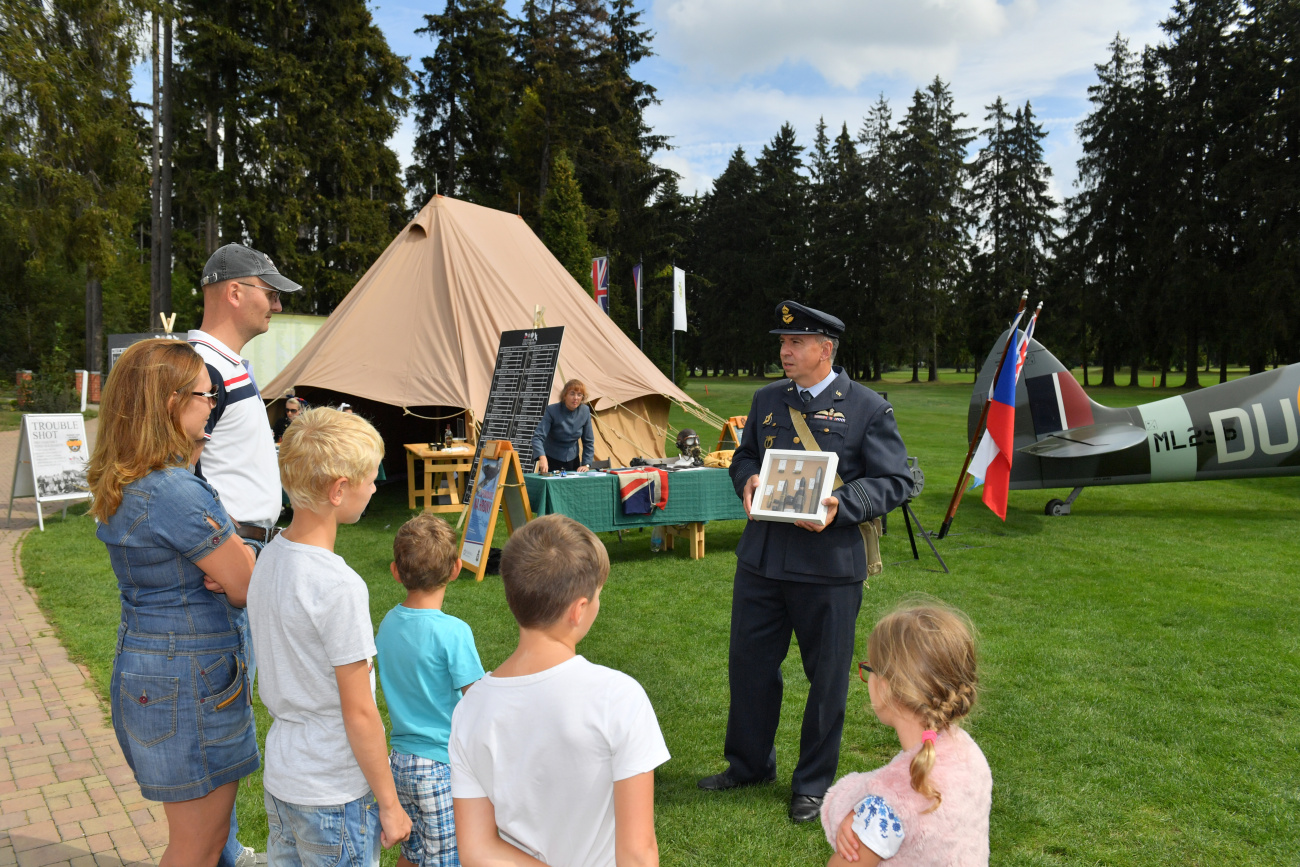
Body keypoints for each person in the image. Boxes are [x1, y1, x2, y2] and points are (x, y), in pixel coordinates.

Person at [698, 301, 914, 824]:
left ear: (826, 349)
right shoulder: (768, 399)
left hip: (829, 568)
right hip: (763, 562)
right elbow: (747, 455)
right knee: (749, 668)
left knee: (827, 681)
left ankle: (813, 784)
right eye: (782, 342)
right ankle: (748, 764)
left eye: (795, 343)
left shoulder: (866, 408)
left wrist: (844, 506)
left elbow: (897, 480)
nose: (784, 351)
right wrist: (746, 479)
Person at [87, 338, 260, 866]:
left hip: (148, 667)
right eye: (207, 395)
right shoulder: (175, 492)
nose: (213, 404)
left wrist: (232, 558)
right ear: (170, 403)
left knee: (196, 843)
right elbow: (245, 582)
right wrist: (243, 553)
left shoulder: (128, 481)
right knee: (198, 847)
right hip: (192, 678)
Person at [448, 514, 668, 867]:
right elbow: (638, 853)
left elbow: (476, 850)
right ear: (579, 610)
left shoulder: (470, 708)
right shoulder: (618, 698)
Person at [248, 407, 412, 864]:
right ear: (340, 490)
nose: (376, 486)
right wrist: (390, 804)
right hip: (334, 790)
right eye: (370, 477)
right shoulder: (338, 586)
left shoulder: (270, 558)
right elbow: (360, 712)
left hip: (284, 778)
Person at [190, 241, 302, 866]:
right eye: (269, 290)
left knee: (229, 719)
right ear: (235, 291)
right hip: (229, 560)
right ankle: (219, 856)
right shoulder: (199, 366)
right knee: (222, 722)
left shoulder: (221, 363)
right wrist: (216, 549)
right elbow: (174, 470)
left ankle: (224, 851)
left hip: (242, 553)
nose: (276, 302)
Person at [821, 602, 991, 866]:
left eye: (870, 670)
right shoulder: (968, 754)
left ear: (886, 690)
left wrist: (866, 812)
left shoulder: (887, 807)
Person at [376, 514, 485, 867]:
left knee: (414, 851)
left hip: (400, 764)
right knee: (447, 858)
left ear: (395, 571)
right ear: (456, 569)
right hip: (440, 766)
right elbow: (480, 699)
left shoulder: (387, 624)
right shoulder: (453, 632)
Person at [531, 379, 594, 473]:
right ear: (565, 395)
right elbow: (537, 437)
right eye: (572, 394)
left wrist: (586, 464)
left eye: (579, 394)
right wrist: (542, 457)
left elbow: (588, 441)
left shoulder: (585, 411)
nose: (576, 398)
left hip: (573, 460)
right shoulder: (552, 410)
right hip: (551, 459)